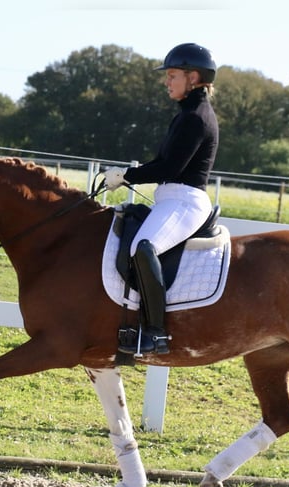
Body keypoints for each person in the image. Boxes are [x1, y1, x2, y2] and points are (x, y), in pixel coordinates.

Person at [103, 42, 219, 356]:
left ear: (193, 77)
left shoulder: (195, 117)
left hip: (186, 201)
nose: (166, 82)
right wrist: (125, 173)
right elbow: (161, 163)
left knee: (145, 247)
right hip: (171, 198)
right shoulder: (185, 115)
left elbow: (170, 167)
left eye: (172, 75)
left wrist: (126, 175)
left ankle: (156, 333)